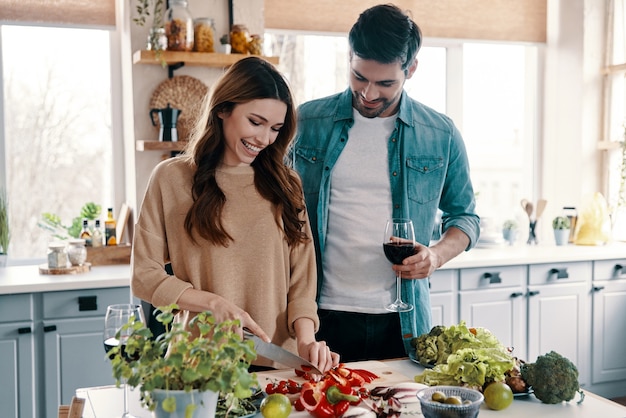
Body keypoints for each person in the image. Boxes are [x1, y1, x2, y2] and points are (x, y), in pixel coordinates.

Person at [290, 4, 480, 362]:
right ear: (349, 58)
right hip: (321, 316)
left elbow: (465, 217)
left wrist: (435, 256)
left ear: (411, 69)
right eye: (359, 77)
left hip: (403, 319)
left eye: (385, 83)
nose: (369, 94)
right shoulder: (307, 121)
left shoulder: (440, 133)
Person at [132, 56, 339, 373]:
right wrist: (214, 304)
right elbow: (144, 277)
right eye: (255, 122)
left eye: (275, 129)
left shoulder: (287, 185)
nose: (264, 139)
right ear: (222, 109)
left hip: (276, 363)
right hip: (198, 363)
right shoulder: (170, 179)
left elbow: (302, 281)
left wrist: (307, 341)